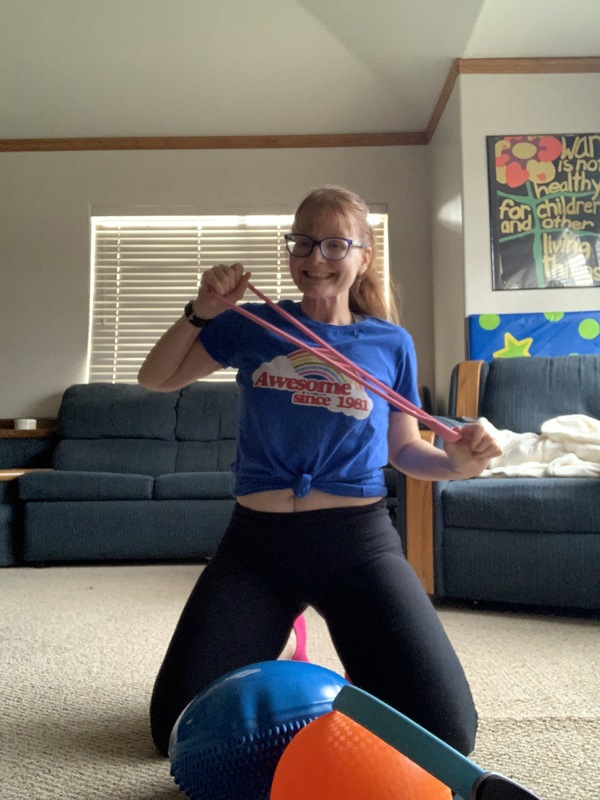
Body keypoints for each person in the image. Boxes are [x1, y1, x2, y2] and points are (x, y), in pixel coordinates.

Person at [138, 185, 502, 757]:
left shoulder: (390, 343)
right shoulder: (253, 325)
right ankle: (274, 651)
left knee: (448, 734)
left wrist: (456, 464)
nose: (315, 259)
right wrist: (202, 310)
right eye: (303, 243)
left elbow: (404, 451)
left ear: (365, 255)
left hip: (357, 545)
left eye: (335, 244)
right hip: (256, 549)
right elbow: (155, 379)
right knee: (176, 730)